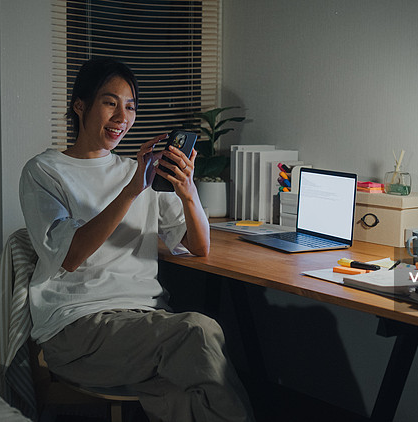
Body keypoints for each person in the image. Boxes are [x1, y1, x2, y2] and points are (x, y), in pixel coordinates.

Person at [19, 57, 254, 422]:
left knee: (185, 394)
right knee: (198, 332)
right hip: (79, 328)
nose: (121, 118)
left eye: (130, 107)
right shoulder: (45, 171)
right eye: (110, 102)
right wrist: (131, 191)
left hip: (143, 323)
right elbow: (69, 256)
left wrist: (187, 190)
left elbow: (199, 245)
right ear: (80, 106)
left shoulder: (138, 169)